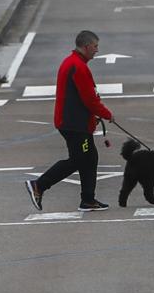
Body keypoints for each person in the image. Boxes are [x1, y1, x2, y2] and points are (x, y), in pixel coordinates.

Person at [27, 30, 115, 212]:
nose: (97, 50)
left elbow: (81, 98)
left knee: (90, 158)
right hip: (74, 125)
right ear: (86, 46)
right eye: (95, 46)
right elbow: (90, 99)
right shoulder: (78, 67)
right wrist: (106, 114)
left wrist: (94, 116)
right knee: (79, 159)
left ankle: (88, 200)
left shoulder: (74, 63)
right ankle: (39, 185)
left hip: (75, 122)